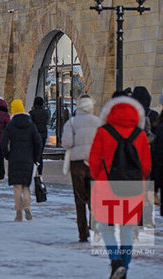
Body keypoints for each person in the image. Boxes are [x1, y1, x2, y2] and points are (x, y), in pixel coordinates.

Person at [89, 94, 151, 278]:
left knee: (106, 228)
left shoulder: (103, 132)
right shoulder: (139, 135)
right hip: (132, 187)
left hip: (106, 186)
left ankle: (115, 261)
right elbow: (146, 165)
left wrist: (99, 177)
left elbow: (94, 161)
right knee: (127, 230)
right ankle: (124, 268)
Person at [61, 94, 101, 242]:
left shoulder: (71, 123)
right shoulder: (98, 122)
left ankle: (82, 233)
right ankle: (96, 225)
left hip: (77, 163)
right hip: (94, 163)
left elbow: (67, 143)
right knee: (95, 196)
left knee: (79, 199)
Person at [0, 99, 42, 222]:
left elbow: (3, 143)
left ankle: (19, 214)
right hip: (28, 158)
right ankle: (28, 206)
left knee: (17, 187)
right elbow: (38, 142)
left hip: (14, 158)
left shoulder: (10, 125)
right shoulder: (31, 125)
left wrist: (7, 155)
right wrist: (36, 157)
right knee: (26, 187)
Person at [29, 96, 49, 175]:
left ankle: (33, 170)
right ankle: (39, 171)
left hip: (34, 135)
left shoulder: (31, 113)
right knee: (40, 154)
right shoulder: (45, 112)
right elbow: (47, 122)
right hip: (43, 134)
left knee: (33, 153)